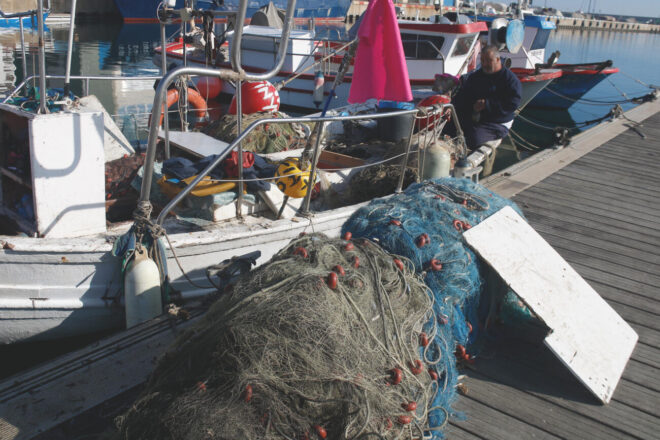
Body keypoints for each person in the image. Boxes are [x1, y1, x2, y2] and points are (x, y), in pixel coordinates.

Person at [451, 44, 522, 150]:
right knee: (450, 128)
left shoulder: (510, 80)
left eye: (489, 60)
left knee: (473, 138)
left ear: (498, 59)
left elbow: (512, 104)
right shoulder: (476, 77)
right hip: (476, 118)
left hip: (497, 122)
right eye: (483, 60)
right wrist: (452, 107)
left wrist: (487, 104)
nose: (485, 64)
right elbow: (463, 95)